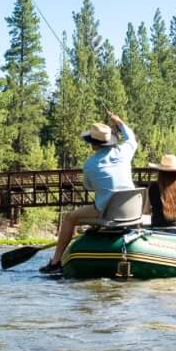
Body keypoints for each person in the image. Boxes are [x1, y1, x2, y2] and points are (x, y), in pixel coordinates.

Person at [51, 111, 136, 262]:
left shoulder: (90, 165)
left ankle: (56, 261)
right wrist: (119, 122)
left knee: (70, 218)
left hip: (107, 211)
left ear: (92, 143)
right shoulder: (125, 151)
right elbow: (131, 138)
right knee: (101, 202)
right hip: (132, 211)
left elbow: (89, 187)